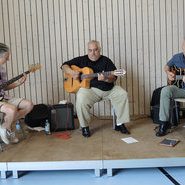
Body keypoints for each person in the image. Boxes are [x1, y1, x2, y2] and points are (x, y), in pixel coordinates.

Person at [61, 40, 130, 137]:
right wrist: (71, 72)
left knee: (122, 94)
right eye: (90, 50)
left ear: (100, 50)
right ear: (87, 51)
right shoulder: (81, 60)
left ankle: (120, 123)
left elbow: (113, 78)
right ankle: (85, 126)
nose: (93, 53)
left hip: (108, 89)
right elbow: (64, 65)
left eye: (95, 50)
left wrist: (105, 78)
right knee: (80, 97)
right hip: (90, 90)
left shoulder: (106, 60)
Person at [0, 43, 34, 144]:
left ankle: (5, 126)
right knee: (12, 109)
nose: (8, 60)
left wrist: (18, 83)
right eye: (6, 57)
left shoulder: (1, 69)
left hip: (3, 97)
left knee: (29, 105)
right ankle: (8, 129)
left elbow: (4, 87)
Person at [156, 40, 185, 137]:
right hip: (180, 90)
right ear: (182, 46)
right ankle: (164, 124)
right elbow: (166, 66)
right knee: (165, 90)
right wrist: (168, 73)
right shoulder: (177, 57)